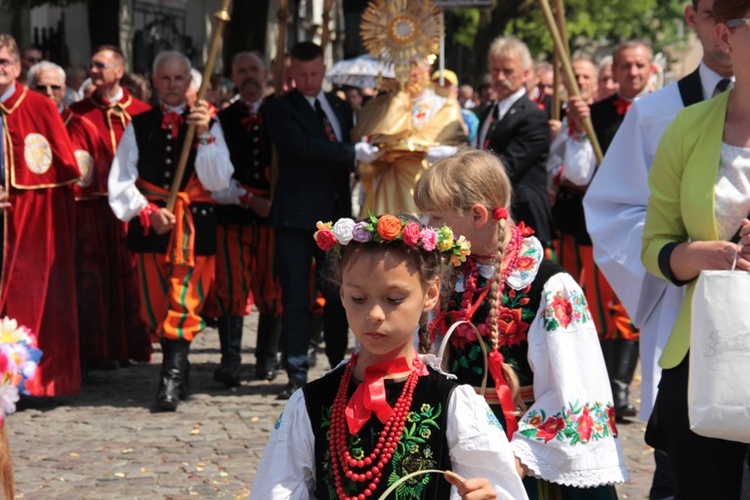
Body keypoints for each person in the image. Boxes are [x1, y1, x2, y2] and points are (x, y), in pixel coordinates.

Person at [250, 213, 529, 499]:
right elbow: (276, 489)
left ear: (430, 294)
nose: (374, 314)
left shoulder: (454, 406)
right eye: (359, 299)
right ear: (343, 295)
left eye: (394, 299)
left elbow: (501, 489)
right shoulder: (312, 404)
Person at [415, 149, 628, 498]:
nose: (429, 229)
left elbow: (573, 387)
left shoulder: (549, 285)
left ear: (477, 216)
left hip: (525, 449)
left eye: (437, 218)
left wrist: (515, 460)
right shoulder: (451, 277)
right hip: (463, 440)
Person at [583, 0, 732, 496]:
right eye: (719, 13)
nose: (727, 29)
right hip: (684, 309)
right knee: (687, 464)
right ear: (695, 17)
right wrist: (678, 255)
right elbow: (612, 210)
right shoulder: (658, 113)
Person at [640, 2, 749, 497]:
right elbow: (655, 245)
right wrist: (698, 255)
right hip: (708, 352)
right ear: (725, 37)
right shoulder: (687, 127)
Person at [108, 50, 234, 411]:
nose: (173, 85)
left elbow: (218, 179)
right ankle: (178, 366)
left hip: (195, 226)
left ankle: (170, 380)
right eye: (166, 79)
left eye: (180, 78)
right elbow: (120, 180)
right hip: (154, 227)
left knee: (185, 300)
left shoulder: (208, 122)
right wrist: (146, 212)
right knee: (156, 305)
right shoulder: (140, 124)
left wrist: (206, 134)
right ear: (154, 81)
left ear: (190, 83)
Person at [263, 41, 381, 399]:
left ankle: (336, 365)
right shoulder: (279, 107)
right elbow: (302, 145)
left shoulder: (340, 106)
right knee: (297, 295)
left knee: (338, 294)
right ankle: (296, 370)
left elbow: (354, 138)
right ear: (291, 74)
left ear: (324, 70)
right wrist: (349, 153)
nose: (310, 81)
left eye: (315, 73)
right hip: (296, 217)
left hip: (334, 215)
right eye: (302, 75)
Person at [560, 40, 653, 421]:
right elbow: (577, 173)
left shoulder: (668, 111)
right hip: (604, 227)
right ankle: (609, 387)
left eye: (639, 66)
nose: (633, 73)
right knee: (601, 307)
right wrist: (578, 129)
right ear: (613, 71)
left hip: (652, 223)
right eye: (625, 66)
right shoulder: (596, 113)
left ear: (651, 70)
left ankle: (623, 385)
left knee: (636, 306)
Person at [27, 60, 122, 370]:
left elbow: (103, 180)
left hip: (82, 227)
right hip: (35, 227)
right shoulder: (20, 123)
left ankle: (87, 355)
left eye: (56, 88)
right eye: (41, 87)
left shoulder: (82, 126)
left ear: (65, 90)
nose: (49, 93)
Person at [0, 35, 81, 396]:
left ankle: (27, 380)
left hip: (29, 222)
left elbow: (62, 171)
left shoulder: (40, 106)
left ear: (18, 67)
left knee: (29, 299)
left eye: (3, 62)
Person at [71, 44, 152, 364]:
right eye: (91, 65)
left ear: (118, 71)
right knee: (97, 280)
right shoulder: (78, 112)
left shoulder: (142, 112)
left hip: (134, 208)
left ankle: (133, 346)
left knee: (132, 279)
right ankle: (100, 350)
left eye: (100, 65)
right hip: (93, 209)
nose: (93, 70)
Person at [210, 51, 282, 385]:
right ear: (234, 76)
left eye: (255, 69)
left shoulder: (280, 112)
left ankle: (266, 359)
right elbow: (215, 176)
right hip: (234, 216)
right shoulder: (220, 119)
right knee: (231, 286)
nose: (250, 76)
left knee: (272, 288)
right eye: (242, 71)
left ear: (266, 73)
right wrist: (251, 200)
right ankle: (230, 360)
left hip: (273, 217)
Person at [352, 61, 467, 215]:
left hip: (429, 184)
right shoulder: (384, 102)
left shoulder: (444, 100)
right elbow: (365, 135)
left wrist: (450, 152)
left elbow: (463, 146)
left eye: (415, 64)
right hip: (389, 183)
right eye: (403, 64)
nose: (410, 72)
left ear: (427, 66)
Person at [477, 36, 553, 248]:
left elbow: (507, 165)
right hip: (494, 212)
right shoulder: (487, 111)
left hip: (523, 215)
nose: (500, 77)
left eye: (508, 71)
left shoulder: (533, 116)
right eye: (494, 70)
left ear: (526, 74)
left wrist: (466, 176)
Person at [432, 69, 479, 145]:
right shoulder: (420, 114)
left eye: (446, 86)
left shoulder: (469, 119)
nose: (441, 90)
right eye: (437, 86)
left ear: (456, 92)